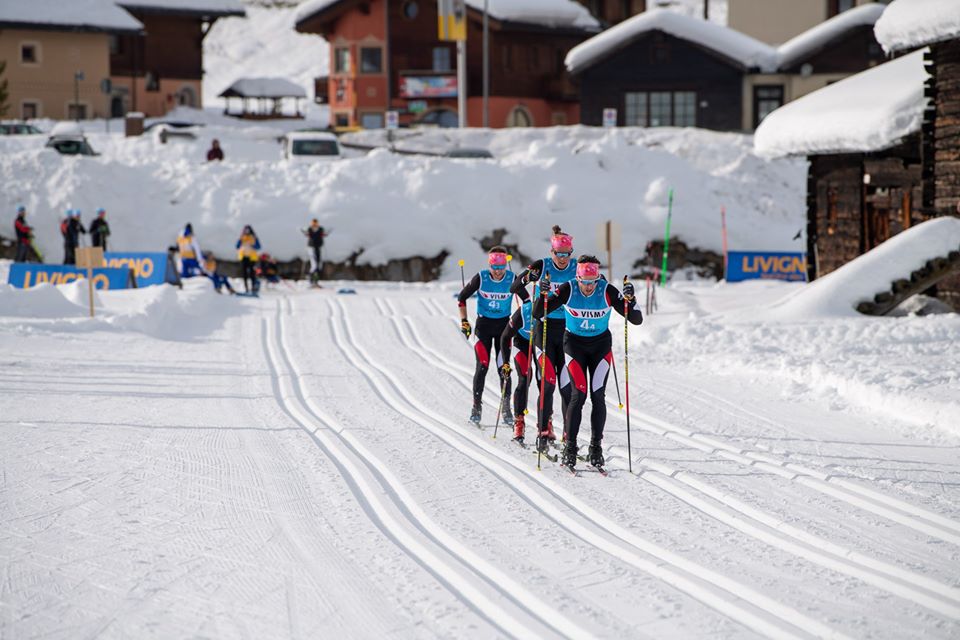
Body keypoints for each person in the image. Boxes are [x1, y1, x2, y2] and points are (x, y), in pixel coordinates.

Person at [533, 256, 643, 470]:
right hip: (574, 346)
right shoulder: (568, 288)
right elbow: (538, 313)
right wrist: (542, 292)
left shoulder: (607, 290)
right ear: (577, 278)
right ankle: (570, 448)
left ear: (597, 279)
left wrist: (631, 299)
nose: (587, 287)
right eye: (584, 281)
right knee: (578, 395)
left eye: (592, 282)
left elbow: (636, 319)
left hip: (600, 347)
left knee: (598, 395)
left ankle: (596, 447)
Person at [510, 225, 577, 447]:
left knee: (567, 387)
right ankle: (543, 429)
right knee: (547, 383)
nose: (563, 259)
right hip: (544, 329)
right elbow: (513, 287)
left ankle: (569, 434)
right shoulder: (543, 265)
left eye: (567, 254)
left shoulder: (578, 268)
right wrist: (530, 276)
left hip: (568, 331)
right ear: (552, 252)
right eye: (559, 254)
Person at [457, 246, 516, 424]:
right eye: (495, 268)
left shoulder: (512, 278)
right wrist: (464, 321)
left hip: (504, 329)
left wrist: (521, 322)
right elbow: (461, 297)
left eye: (501, 268)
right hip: (483, 326)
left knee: (503, 368)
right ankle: (476, 407)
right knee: (482, 366)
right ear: (489, 265)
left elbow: (526, 300)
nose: (498, 272)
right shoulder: (481, 278)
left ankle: (506, 408)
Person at [499, 297, 534, 443]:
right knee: (525, 378)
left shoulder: (552, 310)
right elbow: (505, 336)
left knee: (544, 380)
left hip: (542, 345)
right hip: (522, 344)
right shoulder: (523, 312)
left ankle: (547, 423)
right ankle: (519, 421)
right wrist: (506, 363)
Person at [302, 218, 328, 285]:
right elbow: (307, 234)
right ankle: (310, 278)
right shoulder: (310, 229)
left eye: (316, 223)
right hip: (311, 248)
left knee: (318, 264)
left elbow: (323, 235)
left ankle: (316, 281)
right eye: (313, 223)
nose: (314, 224)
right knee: (314, 265)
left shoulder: (320, 229)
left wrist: (324, 235)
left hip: (318, 248)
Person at [236, 225, 261, 293]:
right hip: (243, 257)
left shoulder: (254, 238)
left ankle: (253, 287)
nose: (247, 232)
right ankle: (246, 288)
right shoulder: (242, 237)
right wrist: (240, 240)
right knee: (244, 273)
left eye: (248, 230)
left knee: (252, 273)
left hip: (252, 258)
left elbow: (258, 247)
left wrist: (252, 244)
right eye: (245, 230)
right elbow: (237, 246)